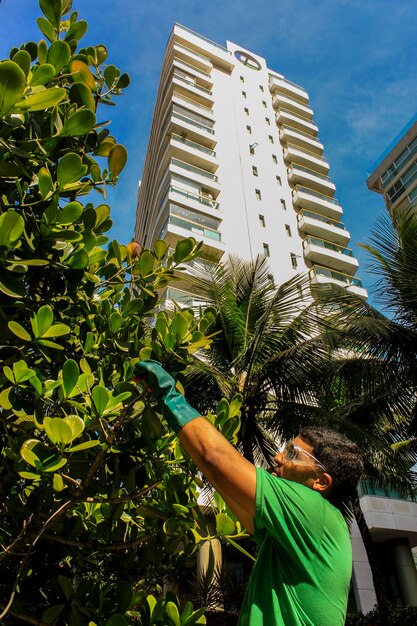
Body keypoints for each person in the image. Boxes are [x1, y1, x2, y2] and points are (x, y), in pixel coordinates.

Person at [133, 360, 364, 626]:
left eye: (292, 454)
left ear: (321, 482)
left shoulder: (313, 509)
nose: (278, 457)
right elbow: (225, 482)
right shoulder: (297, 533)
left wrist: (167, 393)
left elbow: (214, 457)